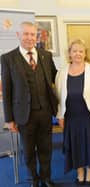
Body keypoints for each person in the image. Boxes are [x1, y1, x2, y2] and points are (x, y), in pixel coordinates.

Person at [1, 22, 58, 187]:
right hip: (24, 115)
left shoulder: (46, 56)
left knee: (46, 148)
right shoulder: (8, 58)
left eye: (33, 34)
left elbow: (56, 79)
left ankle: (46, 178)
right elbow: (7, 90)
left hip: (46, 112)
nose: (29, 37)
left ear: (37, 36)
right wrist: (9, 119)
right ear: (18, 35)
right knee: (28, 151)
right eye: (25, 34)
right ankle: (34, 179)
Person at [55, 39, 90, 185]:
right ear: (69, 54)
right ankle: (79, 173)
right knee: (75, 145)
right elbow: (58, 96)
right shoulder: (61, 72)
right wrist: (60, 115)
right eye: (74, 51)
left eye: (81, 51)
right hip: (71, 116)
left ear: (85, 54)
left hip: (89, 115)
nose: (77, 53)